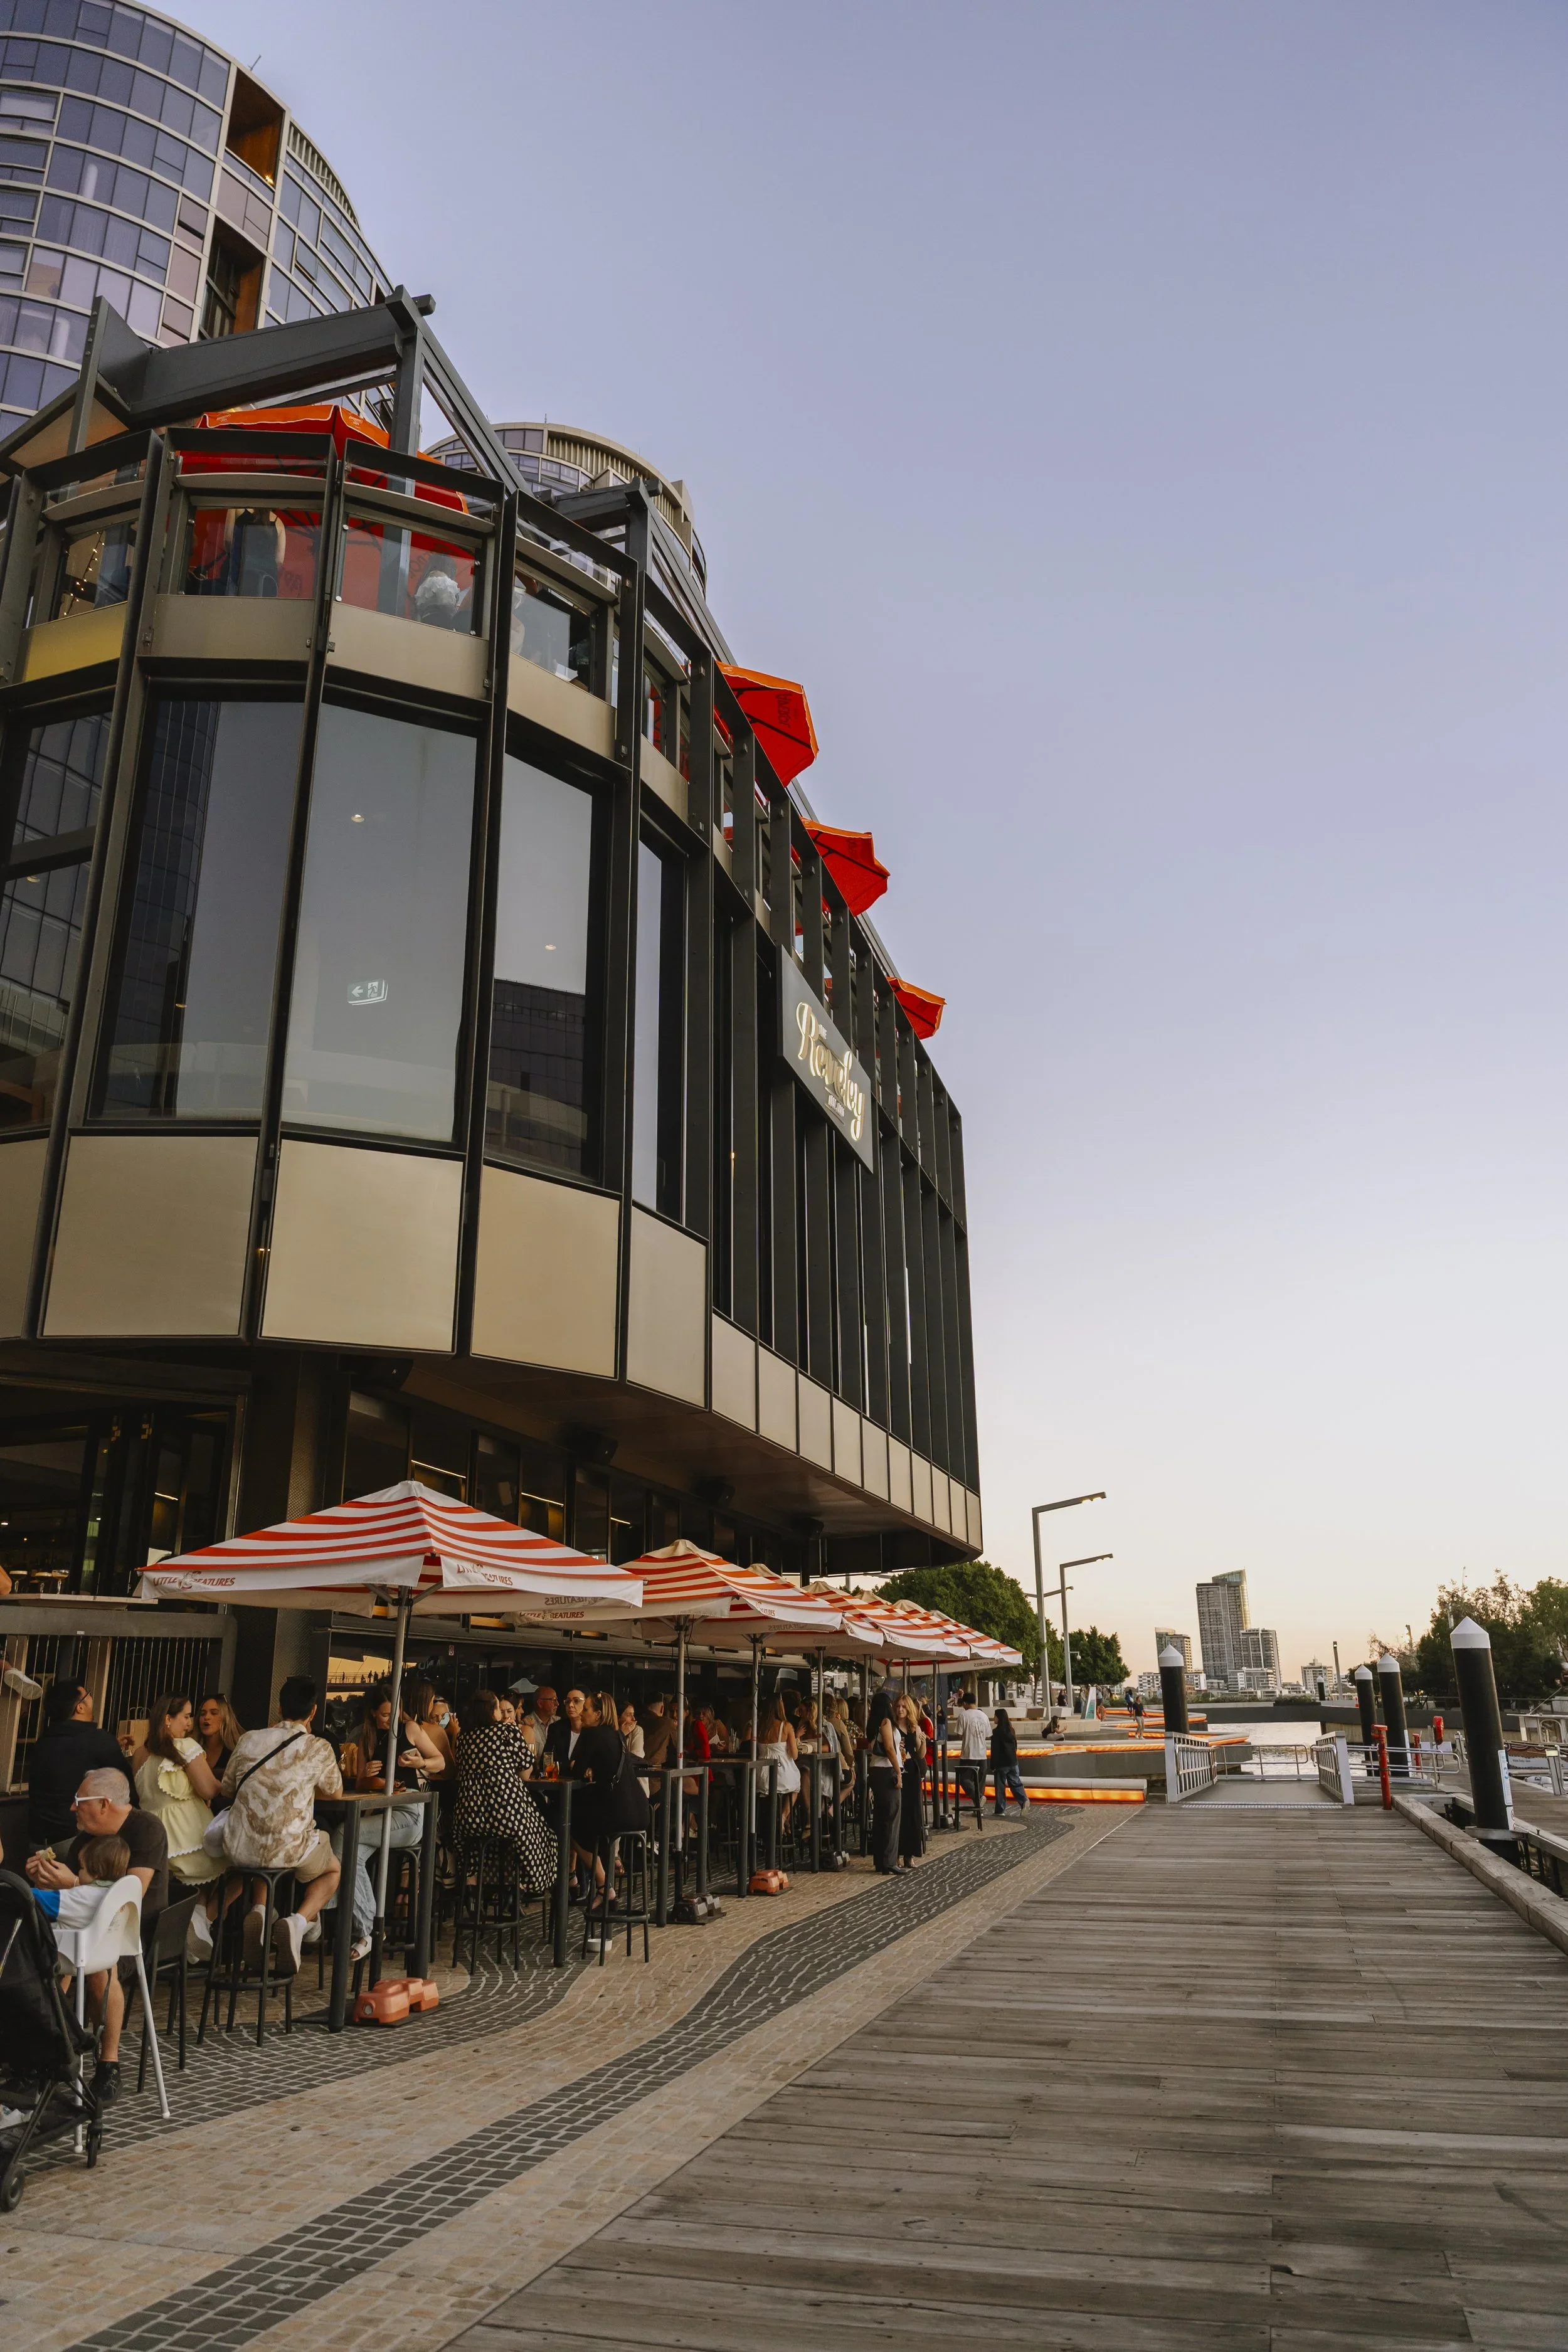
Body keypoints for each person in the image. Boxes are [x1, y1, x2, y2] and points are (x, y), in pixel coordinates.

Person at [26, 1766, 168, 2104]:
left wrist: (71, 1884)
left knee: (99, 1969)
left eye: (79, 1801)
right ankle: (52, 2052)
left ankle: (108, 2065)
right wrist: (44, 1878)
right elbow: (79, 1903)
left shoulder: (146, 1828)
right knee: (51, 1963)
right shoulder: (84, 1841)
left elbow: (129, 1896)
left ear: (104, 1804)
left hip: (138, 1931)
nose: (73, 1808)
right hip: (91, 1929)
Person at [218, 1675, 343, 1980]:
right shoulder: (318, 1747)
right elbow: (335, 1792)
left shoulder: (249, 1739)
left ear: (278, 1707)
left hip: (239, 1847)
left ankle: (260, 1912)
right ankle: (299, 1922)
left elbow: (227, 1788)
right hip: (289, 1851)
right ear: (313, 1712)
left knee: (265, 1845)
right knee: (333, 1869)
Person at [134, 1692, 225, 1941]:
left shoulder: (141, 1754)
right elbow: (208, 1789)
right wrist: (226, 1783)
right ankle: (201, 1918)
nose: (189, 1724)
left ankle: (190, 1924)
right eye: (185, 1717)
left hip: (152, 1838)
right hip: (188, 1835)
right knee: (232, 1864)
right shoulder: (185, 1747)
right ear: (167, 1719)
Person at [452, 1688, 556, 1892]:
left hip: (467, 1819)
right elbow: (527, 1767)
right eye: (499, 1708)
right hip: (506, 1816)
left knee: (476, 1845)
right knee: (545, 1834)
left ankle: (472, 1887)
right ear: (493, 1712)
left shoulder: (463, 1737)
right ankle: (519, 1886)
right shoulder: (506, 1731)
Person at [26, 1680, 129, 1850]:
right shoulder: (98, 1741)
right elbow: (126, 1788)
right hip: (77, 1845)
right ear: (79, 1707)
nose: (92, 1699)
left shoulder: (41, 1744)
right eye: (88, 1695)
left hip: (36, 1844)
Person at [569, 1691, 650, 1892]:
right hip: (641, 1812)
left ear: (598, 1715)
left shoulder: (592, 1734)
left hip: (619, 1815)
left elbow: (576, 1770)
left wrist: (581, 1767)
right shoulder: (617, 1734)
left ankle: (603, 1884)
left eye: (585, 1709)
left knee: (567, 1826)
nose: (581, 1714)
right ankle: (603, 1882)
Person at [31, 1832, 130, 1928]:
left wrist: (17, 1884)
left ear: (96, 1873)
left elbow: (33, 1898)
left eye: (82, 1867)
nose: (79, 1872)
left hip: (67, 1944)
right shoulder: (122, 1898)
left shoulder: (82, 1897)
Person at [865, 1691, 903, 1875]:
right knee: (892, 1816)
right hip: (886, 1770)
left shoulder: (873, 1724)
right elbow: (889, 1748)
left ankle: (880, 1860)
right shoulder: (886, 1723)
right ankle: (890, 1860)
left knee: (880, 1817)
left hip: (875, 1771)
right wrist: (898, 1771)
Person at [756, 1693, 801, 1833]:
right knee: (796, 1787)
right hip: (782, 1773)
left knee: (771, 1793)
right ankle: (782, 1817)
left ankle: (780, 1821)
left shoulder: (759, 1726)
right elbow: (794, 1755)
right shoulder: (786, 1727)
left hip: (761, 1776)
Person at [896, 1693, 927, 1870]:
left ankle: (910, 1855)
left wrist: (922, 1743)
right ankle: (897, 1854)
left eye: (904, 1707)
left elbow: (920, 1754)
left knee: (913, 1814)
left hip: (912, 1772)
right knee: (899, 1813)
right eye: (898, 1706)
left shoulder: (914, 1728)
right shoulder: (891, 1727)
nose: (900, 1709)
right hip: (898, 1772)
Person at [953, 1688, 990, 1830]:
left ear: (966, 1703)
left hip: (969, 1753)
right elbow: (987, 1734)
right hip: (982, 1754)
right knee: (980, 1780)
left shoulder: (964, 1715)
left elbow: (960, 1734)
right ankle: (978, 1804)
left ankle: (978, 1798)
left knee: (964, 1779)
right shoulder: (984, 1716)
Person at [195, 1694, 243, 1783]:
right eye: (202, 1714)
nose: (207, 1717)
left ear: (226, 1718)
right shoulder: (192, 1747)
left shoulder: (237, 1750)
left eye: (214, 1713)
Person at [991, 1707, 1029, 1816]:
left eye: (995, 1716)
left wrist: (993, 1765)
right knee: (1016, 1783)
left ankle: (1000, 1810)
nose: (994, 1718)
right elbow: (1015, 1746)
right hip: (1013, 1762)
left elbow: (995, 1750)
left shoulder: (996, 1732)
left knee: (1000, 1787)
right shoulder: (1011, 1730)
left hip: (1001, 1764)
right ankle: (1024, 1800)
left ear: (999, 1718)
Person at [545, 1687, 586, 1775]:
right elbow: (546, 1761)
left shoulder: (593, 1731)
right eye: (568, 1701)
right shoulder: (556, 1728)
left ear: (587, 1704)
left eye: (576, 1701)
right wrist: (571, 1764)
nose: (571, 1705)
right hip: (558, 1784)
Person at [520, 1685, 558, 1764]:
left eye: (557, 1700)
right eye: (553, 1700)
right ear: (540, 1703)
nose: (557, 1704)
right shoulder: (527, 1724)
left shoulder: (559, 1722)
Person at [618, 1700, 649, 1794]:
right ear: (618, 1717)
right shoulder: (612, 1733)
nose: (634, 1719)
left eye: (633, 1715)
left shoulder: (637, 1730)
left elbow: (635, 1758)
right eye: (629, 1715)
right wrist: (621, 1734)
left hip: (637, 1787)